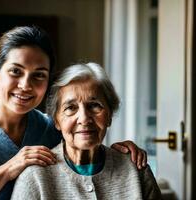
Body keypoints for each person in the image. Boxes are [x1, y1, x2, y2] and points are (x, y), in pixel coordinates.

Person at [0, 26, 147, 200]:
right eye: (16, 71)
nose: (25, 85)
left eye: (38, 75)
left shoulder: (49, 128)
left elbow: (84, 137)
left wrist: (120, 152)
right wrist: (8, 169)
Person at [11, 62, 161, 200]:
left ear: (109, 115)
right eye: (71, 108)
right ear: (56, 121)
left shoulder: (136, 169)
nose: (84, 118)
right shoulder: (35, 177)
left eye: (94, 106)